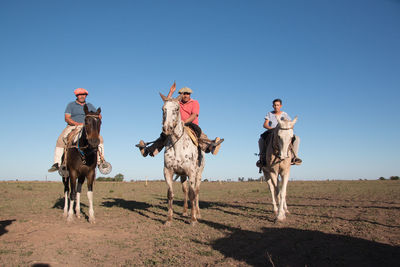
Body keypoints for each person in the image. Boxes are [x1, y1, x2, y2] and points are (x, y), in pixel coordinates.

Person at [137, 82, 224, 157]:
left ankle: (211, 147)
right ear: (180, 95)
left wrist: (184, 122)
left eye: (187, 93)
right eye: (183, 93)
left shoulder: (195, 103)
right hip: (177, 125)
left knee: (199, 133)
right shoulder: (177, 102)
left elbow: (194, 115)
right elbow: (167, 103)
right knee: (164, 135)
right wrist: (171, 92)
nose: (185, 95)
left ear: (190, 94)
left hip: (190, 124)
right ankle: (148, 151)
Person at [48, 88, 107, 172]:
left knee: (100, 139)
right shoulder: (71, 105)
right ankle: (57, 163)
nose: (81, 96)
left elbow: (99, 116)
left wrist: (96, 117)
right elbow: (67, 118)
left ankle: (101, 161)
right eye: (80, 95)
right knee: (60, 140)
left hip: (87, 127)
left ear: (86, 96)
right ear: (77, 96)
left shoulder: (90, 105)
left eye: (83, 94)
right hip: (73, 126)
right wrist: (77, 124)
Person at [257, 98, 302, 168]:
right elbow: (265, 124)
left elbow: (291, 124)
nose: (276, 106)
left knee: (297, 138)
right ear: (273, 106)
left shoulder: (285, 114)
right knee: (261, 140)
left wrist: (286, 129)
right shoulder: (270, 114)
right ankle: (262, 159)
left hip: (283, 131)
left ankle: (294, 157)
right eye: (274, 105)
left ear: (280, 106)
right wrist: (273, 129)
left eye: (277, 105)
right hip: (272, 131)